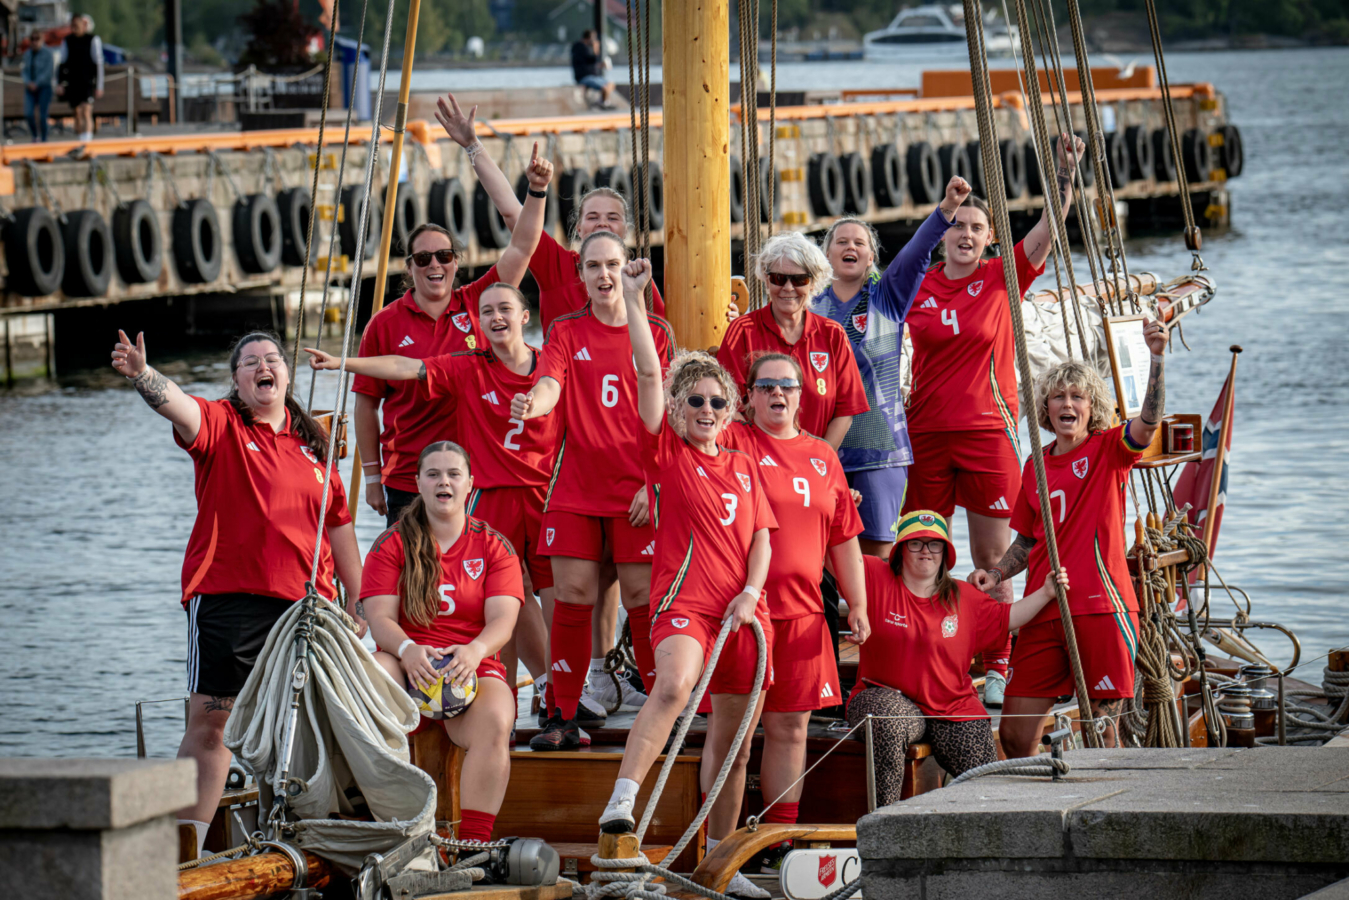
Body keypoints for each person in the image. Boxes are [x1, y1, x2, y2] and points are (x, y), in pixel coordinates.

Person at [438, 93, 666, 708]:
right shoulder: (564, 270)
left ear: (622, 237)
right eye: (588, 218)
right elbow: (515, 210)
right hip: (565, 443)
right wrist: (473, 148)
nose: (597, 226)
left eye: (608, 220)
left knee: (626, 575)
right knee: (574, 580)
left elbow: (661, 376)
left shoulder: (642, 298)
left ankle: (627, 671)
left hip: (628, 451)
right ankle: (581, 676)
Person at [109, 328, 365, 857]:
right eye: (250, 362)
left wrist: (356, 600)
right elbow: (179, 407)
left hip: (306, 608)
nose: (262, 366)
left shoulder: (315, 447)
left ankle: (305, 841)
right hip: (229, 599)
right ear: (237, 380)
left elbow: (339, 527)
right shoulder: (223, 426)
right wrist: (142, 375)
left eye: (272, 359)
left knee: (307, 724)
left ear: (287, 376)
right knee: (213, 725)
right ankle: (184, 856)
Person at [601, 257, 776, 899]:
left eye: (716, 402)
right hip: (687, 606)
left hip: (743, 613)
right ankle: (621, 803)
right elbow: (649, 370)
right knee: (673, 685)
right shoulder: (667, 451)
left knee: (732, 746)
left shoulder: (744, 463)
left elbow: (761, 537)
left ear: (731, 412)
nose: (706, 408)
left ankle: (720, 867)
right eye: (695, 400)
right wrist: (633, 295)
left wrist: (753, 594)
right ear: (678, 408)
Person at [307, 282, 556, 711]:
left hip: (546, 494)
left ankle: (569, 688)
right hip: (494, 494)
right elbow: (408, 366)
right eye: (488, 311)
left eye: (505, 309)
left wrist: (533, 405)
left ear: (524, 317)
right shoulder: (468, 365)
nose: (497, 317)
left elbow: (552, 387)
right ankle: (519, 697)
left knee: (563, 594)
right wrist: (343, 362)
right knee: (511, 593)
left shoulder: (549, 360)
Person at [902, 133, 1086, 706]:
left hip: (987, 433)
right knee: (923, 551)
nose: (965, 235)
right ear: (944, 233)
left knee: (991, 559)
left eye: (976, 229)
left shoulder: (1004, 277)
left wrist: (1064, 174)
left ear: (988, 239)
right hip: (927, 433)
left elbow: (1050, 227)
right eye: (957, 226)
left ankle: (998, 664)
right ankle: (928, 653)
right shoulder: (920, 285)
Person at [511, 232, 676, 748]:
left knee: (641, 597)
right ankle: (562, 713)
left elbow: (670, 410)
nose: (603, 275)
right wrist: (534, 402)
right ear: (580, 274)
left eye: (612, 265)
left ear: (627, 268)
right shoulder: (565, 330)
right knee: (573, 597)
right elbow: (550, 382)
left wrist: (655, 485)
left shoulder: (655, 332)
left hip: (638, 490)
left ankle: (659, 711)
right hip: (578, 488)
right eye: (593, 266)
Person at [972, 323, 1168, 757]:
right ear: (1046, 407)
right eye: (1058, 396)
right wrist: (996, 572)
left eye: (1077, 396)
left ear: (1091, 406)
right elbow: (1026, 539)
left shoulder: (1110, 449)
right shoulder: (1034, 466)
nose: (1067, 404)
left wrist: (1156, 358)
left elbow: (1150, 420)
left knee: (1102, 730)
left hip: (1102, 606)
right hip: (1044, 607)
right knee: (1015, 735)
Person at [719, 352, 867, 863]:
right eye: (766, 386)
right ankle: (718, 843)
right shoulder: (731, 443)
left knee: (790, 729)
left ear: (803, 396)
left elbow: (844, 538)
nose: (777, 394)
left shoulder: (823, 456)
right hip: (743, 614)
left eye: (787, 385)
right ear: (749, 396)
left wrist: (858, 603)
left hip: (805, 613)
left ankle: (776, 842)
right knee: (735, 739)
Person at [355, 146, 552, 527]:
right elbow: (366, 405)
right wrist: (372, 476)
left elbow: (524, 244)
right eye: (424, 258)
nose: (435, 265)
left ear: (456, 262)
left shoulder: (480, 303)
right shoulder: (383, 323)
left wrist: (537, 189)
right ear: (408, 266)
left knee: (474, 578)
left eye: (444, 256)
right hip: (408, 476)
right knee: (413, 577)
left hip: (473, 475)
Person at [360, 441, 522, 843]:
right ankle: (381, 825)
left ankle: (472, 844)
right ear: (417, 483)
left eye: (453, 474)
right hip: (407, 660)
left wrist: (475, 650)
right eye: (433, 474)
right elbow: (379, 618)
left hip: (470, 664)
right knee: (372, 675)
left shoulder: (493, 546)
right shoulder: (392, 544)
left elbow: (503, 619)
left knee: (498, 717)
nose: (443, 482)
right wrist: (407, 650)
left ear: (470, 483)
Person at [848, 510, 1068, 805]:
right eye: (916, 543)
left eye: (934, 544)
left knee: (987, 782)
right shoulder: (874, 575)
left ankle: (982, 837)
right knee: (889, 721)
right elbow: (834, 554)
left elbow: (1009, 617)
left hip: (951, 705)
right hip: (883, 696)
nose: (926, 551)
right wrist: (843, 512)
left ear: (945, 553)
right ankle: (883, 821)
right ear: (900, 549)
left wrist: (1046, 593)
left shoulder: (965, 595)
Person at [812, 176, 971, 558]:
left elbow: (917, 254)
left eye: (860, 243)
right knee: (817, 555)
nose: (850, 246)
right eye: (841, 241)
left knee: (876, 560)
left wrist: (946, 209)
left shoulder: (886, 298)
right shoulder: (808, 306)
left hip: (877, 449)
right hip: (819, 448)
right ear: (826, 255)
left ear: (870, 258)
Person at [435, 92, 666, 332]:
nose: (602, 224)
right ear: (578, 228)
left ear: (626, 229)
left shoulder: (640, 279)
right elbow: (513, 213)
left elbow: (662, 347)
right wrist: (473, 146)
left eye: (612, 217)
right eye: (593, 217)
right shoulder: (559, 268)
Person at [717, 232, 869, 450]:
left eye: (799, 279)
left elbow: (845, 412)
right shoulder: (742, 331)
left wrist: (819, 461)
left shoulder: (833, 335)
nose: (788, 288)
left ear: (813, 283)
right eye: (778, 278)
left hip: (816, 464)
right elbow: (729, 404)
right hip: (757, 463)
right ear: (767, 282)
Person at [56, 14, 103, 143]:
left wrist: (99, 85)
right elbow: (62, 62)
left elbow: (98, 63)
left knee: (86, 110)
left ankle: (87, 140)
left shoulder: (92, 40)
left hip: (87, 81)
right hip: (73, 81)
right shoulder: (68, 41)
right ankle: (80, 137)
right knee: (76, 112)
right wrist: (60, 82)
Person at [22, 38, 55, 143]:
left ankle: (44, 139)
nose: (34, 42)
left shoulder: (48, 53)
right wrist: (28, 82)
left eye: (37, 39)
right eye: (32, 39)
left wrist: (37, 83)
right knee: (29, 113)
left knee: (42, 115)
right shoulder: (27, 54)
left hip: (44, 87)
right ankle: (35, 136)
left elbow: (48, 71)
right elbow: (24, 71)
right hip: (30, 88)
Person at [571, 29, 614, 109]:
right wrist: (596, 48)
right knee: (604, 88)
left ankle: (602, 102)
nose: (595, 40)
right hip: (584, 77)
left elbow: (588, 62)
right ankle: (603, 103)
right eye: (593, 38)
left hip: (592, 76)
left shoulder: (584, 48)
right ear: (589, 38)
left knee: (611, 84)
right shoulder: (580, 47)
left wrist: (600, 65)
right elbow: (592, 59)